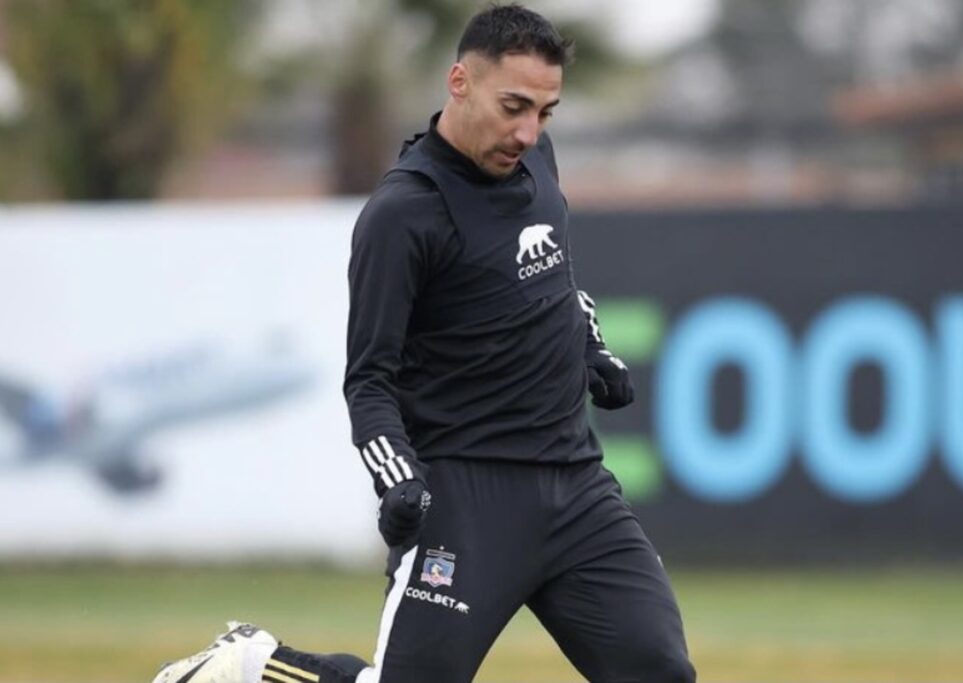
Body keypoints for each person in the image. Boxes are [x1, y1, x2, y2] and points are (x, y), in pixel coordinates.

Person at [152, 5, 696, 683]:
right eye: (514, 106)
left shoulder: (536, 162)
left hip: (576, 485)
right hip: (465, 496)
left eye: (546, 112)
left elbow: (557, 285)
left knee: (661, 673)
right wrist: (398, 477)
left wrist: (593, 349)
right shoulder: (403, 213)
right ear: (460, 81)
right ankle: (255, 663)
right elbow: (368, 380)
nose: (528, 132)